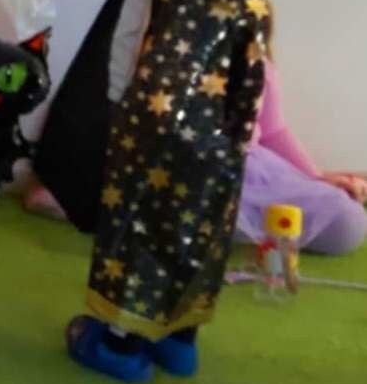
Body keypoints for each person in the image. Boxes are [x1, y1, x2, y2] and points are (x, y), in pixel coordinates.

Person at [40, 0, 365, 383]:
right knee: (192, 233)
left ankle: (121, 347)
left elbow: (174, 60)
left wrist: (132, 117)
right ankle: (177, 340)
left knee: (146, 229)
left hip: (166, 133)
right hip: (211, 142)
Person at [29, 56, 366, 257]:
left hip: (256, 173)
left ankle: (216, 227)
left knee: (349, 222)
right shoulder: (171, 59)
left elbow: (275, 132)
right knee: (186, 201)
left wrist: (316, 178)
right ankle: (89, 203)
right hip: (185, 171)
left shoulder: (259, 67)